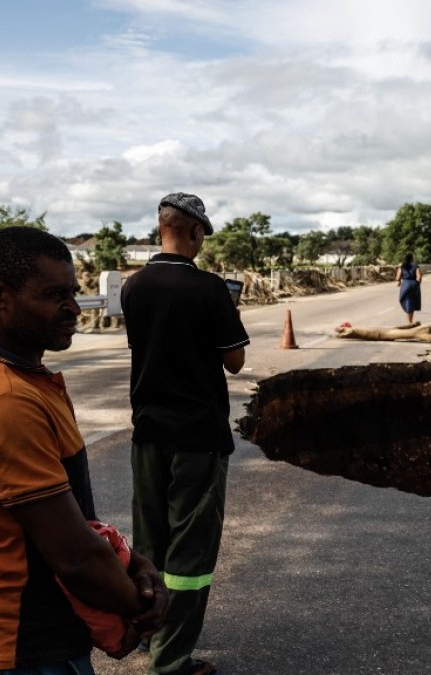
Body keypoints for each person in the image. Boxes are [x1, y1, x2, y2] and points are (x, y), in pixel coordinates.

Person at [0, 226, 168, 674]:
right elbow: (75, 556)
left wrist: (134, 565)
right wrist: (142, 607)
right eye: (53, 295)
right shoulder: (7, 400)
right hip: (19, 650)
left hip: (43, 646)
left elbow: (79, 522)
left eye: (73, 292)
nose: (73, 309)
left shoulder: (28, 383)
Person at [121, 192, 250, 675]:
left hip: (148, 430)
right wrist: (228, 312)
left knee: (149, 543)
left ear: (161, 228)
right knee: (190, 552)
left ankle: (147, 633)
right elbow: (234, 361)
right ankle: (171, 661)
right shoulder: (209, 289)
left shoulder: (133, 287)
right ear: (195, 231)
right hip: (197, 434)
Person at [396, 252, 423, 323]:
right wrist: (417, 284)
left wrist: (399, 282)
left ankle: (409, 321)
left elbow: (397, 278)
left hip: (405, 285)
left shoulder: (402, 266)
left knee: (406, 302)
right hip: (414, 285)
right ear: (412, 259)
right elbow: (419, 277)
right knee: (412, 302)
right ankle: (410, 321)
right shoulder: (416, 266)